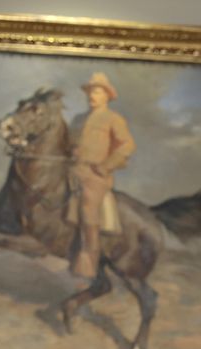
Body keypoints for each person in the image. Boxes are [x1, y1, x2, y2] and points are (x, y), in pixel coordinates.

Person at [69, 72, 136, 279]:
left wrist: (106, 166)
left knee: (89, 207)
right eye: (90, 91)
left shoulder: (113, 119)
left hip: (95, 175)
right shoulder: (78, 119)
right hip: (72, 170)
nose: (92, 95)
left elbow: (127, 145)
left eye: (97, 91)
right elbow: (69, 143)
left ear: (107, 95)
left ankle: (88, 261)